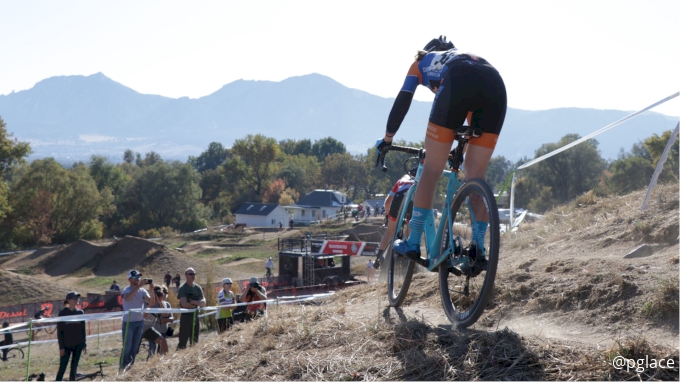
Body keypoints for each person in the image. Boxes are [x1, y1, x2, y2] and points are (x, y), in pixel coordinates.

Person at [376, 36, 507, 259]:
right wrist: (460, 150)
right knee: (476, 174)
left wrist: (387, 139)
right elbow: (468, 116)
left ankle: (414, 242)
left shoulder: (421, 61)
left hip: (458, 83)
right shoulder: (463, 57)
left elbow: (403, 101)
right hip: (495, 85)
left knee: (432, 168)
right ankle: (478, 248)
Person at [374, 168, 416, 270]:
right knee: (410, 230)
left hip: (398, 199)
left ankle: (378, 258)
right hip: (411, 200)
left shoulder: (401, 181)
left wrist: (388, 215)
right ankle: (408, 255)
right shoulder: (419, 180)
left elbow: (388, 202)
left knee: (389, 231)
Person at [120, 269, 156, 370]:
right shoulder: (126, 290)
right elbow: (127, 298)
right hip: (128, 323)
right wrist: (139, 286)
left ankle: (130, 368)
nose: (138, 279)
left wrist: (151, 291)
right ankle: (122, 369)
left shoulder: (142, 291)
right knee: (127, 348)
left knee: (134, 348)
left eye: (139, 277)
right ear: (129, 279)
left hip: (139, 322)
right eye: (135, 277)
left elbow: (151, 302)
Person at [55, 292, 86, 381]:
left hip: (78, 344)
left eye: (77, 298)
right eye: (74, 298)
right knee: (62, 367)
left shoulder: (80, 312)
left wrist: (84, 343)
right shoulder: (62, 313)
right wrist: (61, 347)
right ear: (68, 300)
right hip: (66, 345)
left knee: (74, 367)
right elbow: (59, 331)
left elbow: (83, 329)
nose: (77, 300)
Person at [177, 267, 206, 350]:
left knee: (195, 340)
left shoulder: (198, 288)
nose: (192, 276)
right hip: (186, 317)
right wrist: (197, 304)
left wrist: (192, 302)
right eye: (190, 274)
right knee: (183, 341)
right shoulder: (182, 288)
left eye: (194, 274)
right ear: (186, 275)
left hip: (195, 316)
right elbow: (184, 304)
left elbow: (203, 303)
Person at [143, 286, 170, 360]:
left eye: (160, 293)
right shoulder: (146, 301)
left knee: (163, 341)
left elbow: (166, 314)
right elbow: (144, 315)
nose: (159, 295)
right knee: (134, 350)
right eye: (157, 293)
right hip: (140, 327)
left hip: (148, 329)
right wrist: (151, 302)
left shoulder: (162, 303)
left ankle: (165, 361)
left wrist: (160, 301)